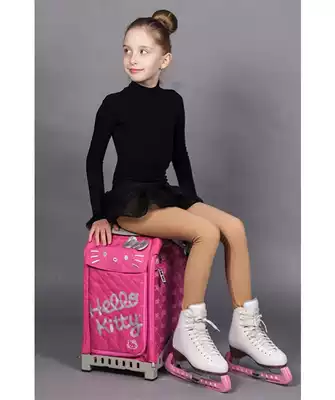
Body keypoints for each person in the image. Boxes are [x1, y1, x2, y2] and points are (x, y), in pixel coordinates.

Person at [85, 9, 291, 388]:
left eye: (144, 51)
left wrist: (193, 203)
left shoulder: (173, 102)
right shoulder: (113, 103)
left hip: (163, 193)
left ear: (164, 60)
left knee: (233, 227)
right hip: (129, 203)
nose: (133, 59)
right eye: (127, 50)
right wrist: (99, 214)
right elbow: (93, 159)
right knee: (205, 233)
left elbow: (180, 156)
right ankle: (188, 331)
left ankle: (244, 330)